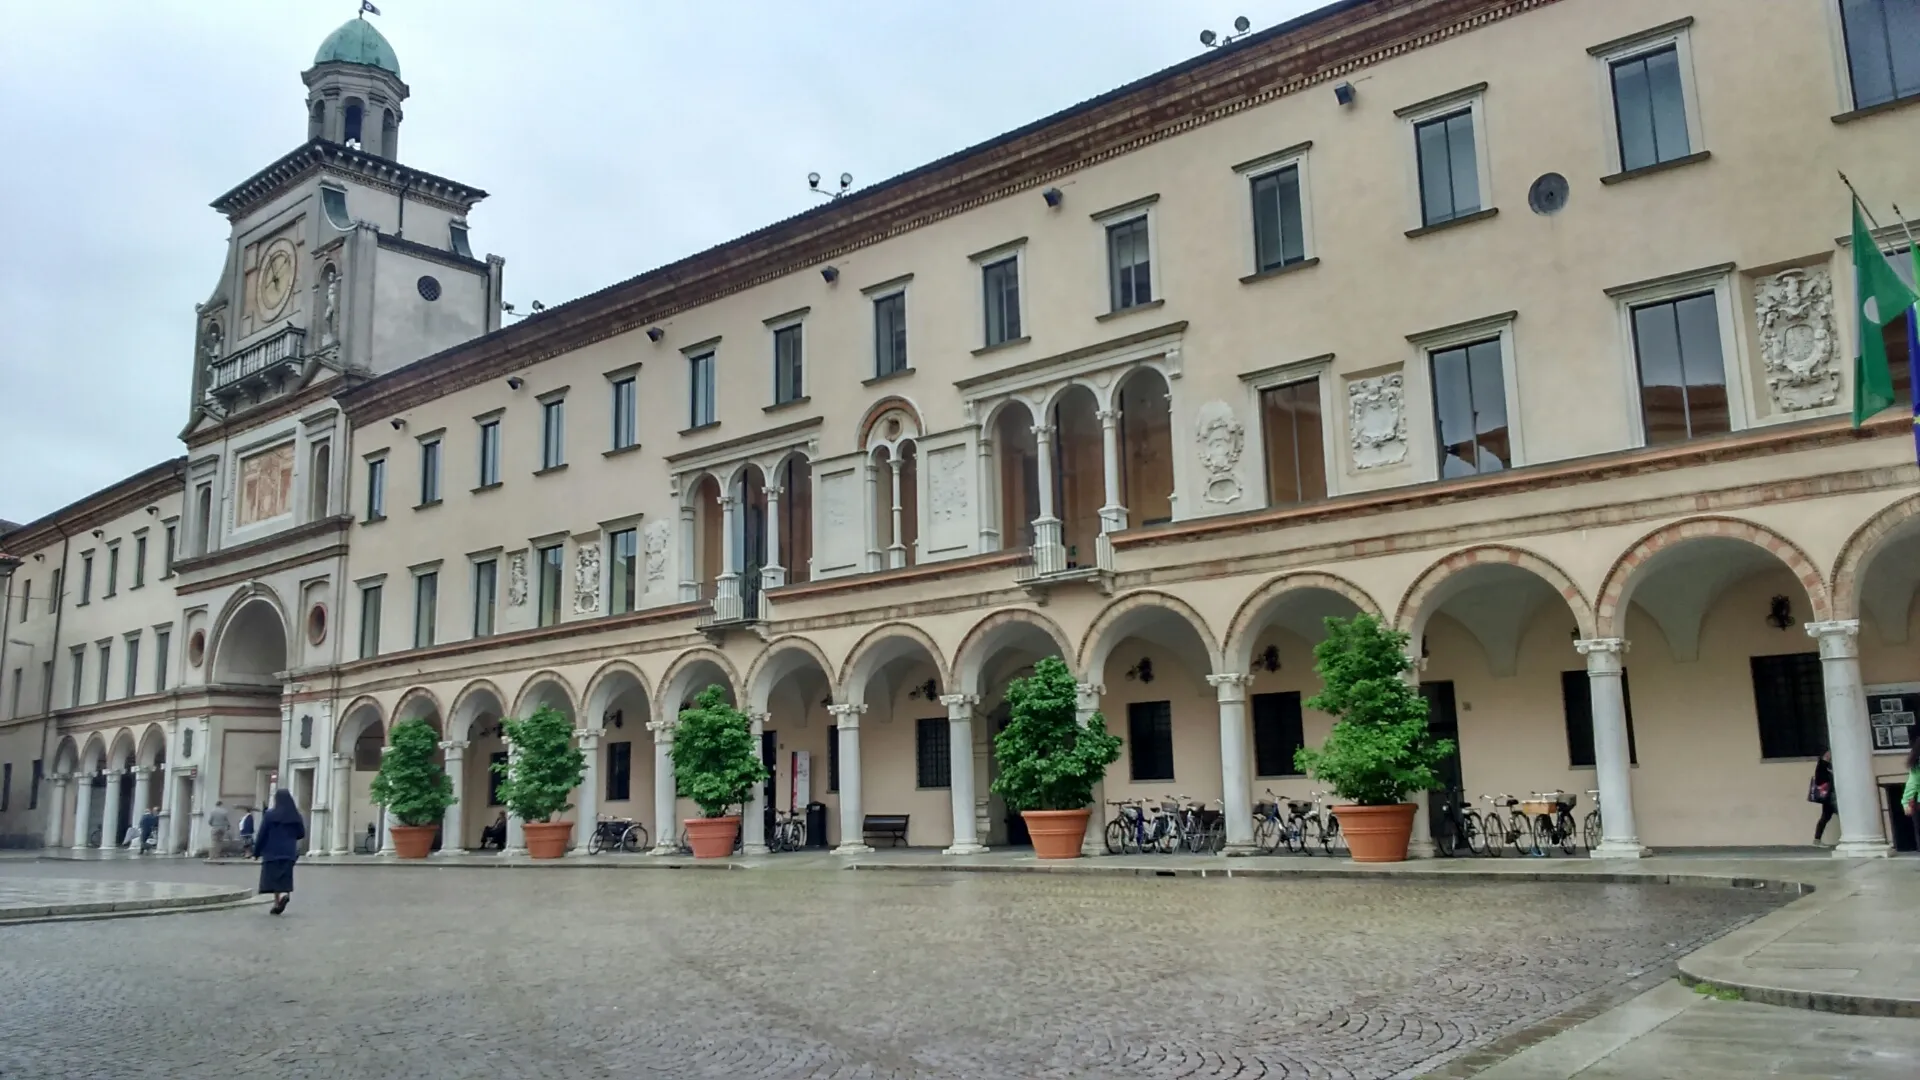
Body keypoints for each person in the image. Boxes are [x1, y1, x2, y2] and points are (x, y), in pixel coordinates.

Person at [254, 789, 306, 916]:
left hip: (271, 852)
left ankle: (277, 902)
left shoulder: (270, 815)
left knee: (273, 878)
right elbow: (301, 834)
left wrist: (256, 851)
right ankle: (284, 894)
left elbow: (262, 834)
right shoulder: (296, 816)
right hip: (288, 851)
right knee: (285, 877)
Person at [1809, 751, 1836, 845]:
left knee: (1825, 817)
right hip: (1830, 796)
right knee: (1826, 817)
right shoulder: (1823, 766)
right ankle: (1817, 839)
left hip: (1830, 796)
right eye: (1827, 755)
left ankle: (1817, 839)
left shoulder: (1829, 766)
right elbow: (1821, 779)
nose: (1829, 756)